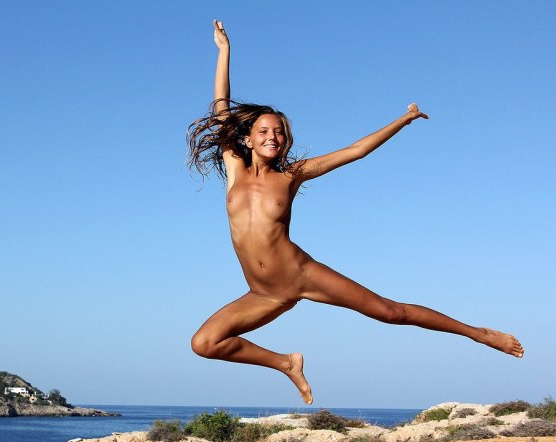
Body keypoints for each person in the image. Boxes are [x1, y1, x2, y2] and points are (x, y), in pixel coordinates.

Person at [187, 20, 523, 405]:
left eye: (278, 132)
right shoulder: (234, 167)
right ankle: (286, 363)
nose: (272, 137)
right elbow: (221, 108)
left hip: (300, 274)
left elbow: (355, 151)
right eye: (263, 131)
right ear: (248, 139)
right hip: (263, 293)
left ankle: (479, 334)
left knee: (390, 312)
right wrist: (225, 51)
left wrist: (404, 120)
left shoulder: (292, 175)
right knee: (204, 343)